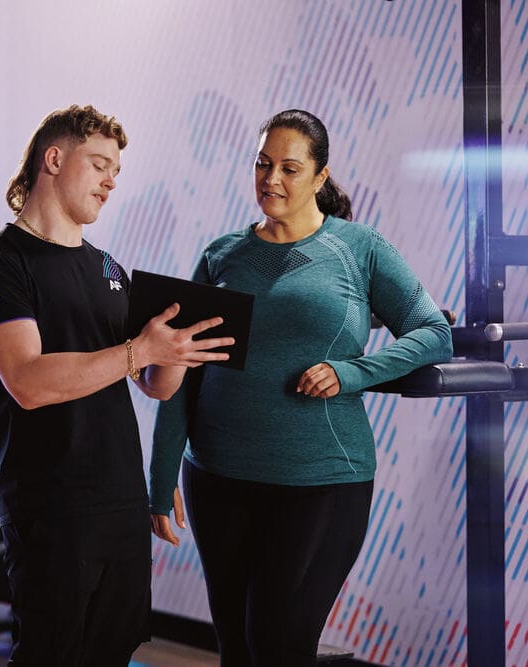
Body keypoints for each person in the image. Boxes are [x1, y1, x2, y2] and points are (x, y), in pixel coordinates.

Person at [148, 109, 453, 666]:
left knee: (278, 644)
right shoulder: (222, 256)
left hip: (321, 482)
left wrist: (351, 371)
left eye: (290, 168)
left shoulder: (358, 249)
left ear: (320, 177)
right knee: (238, 648)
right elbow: (183, 366)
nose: (272, 180)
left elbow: (433, 332)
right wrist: (161, 470)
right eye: (264, 165)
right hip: (216, 478)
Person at [0, 104, 233, 666]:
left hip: (119, 501)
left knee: (112, 651)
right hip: (49, 507)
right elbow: (29, 382)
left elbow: (152, 384)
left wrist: (177, 348)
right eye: (101, 164)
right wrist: (141, 349)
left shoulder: (108, 268)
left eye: (117, 171)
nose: (111, 181)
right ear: (54, 159)